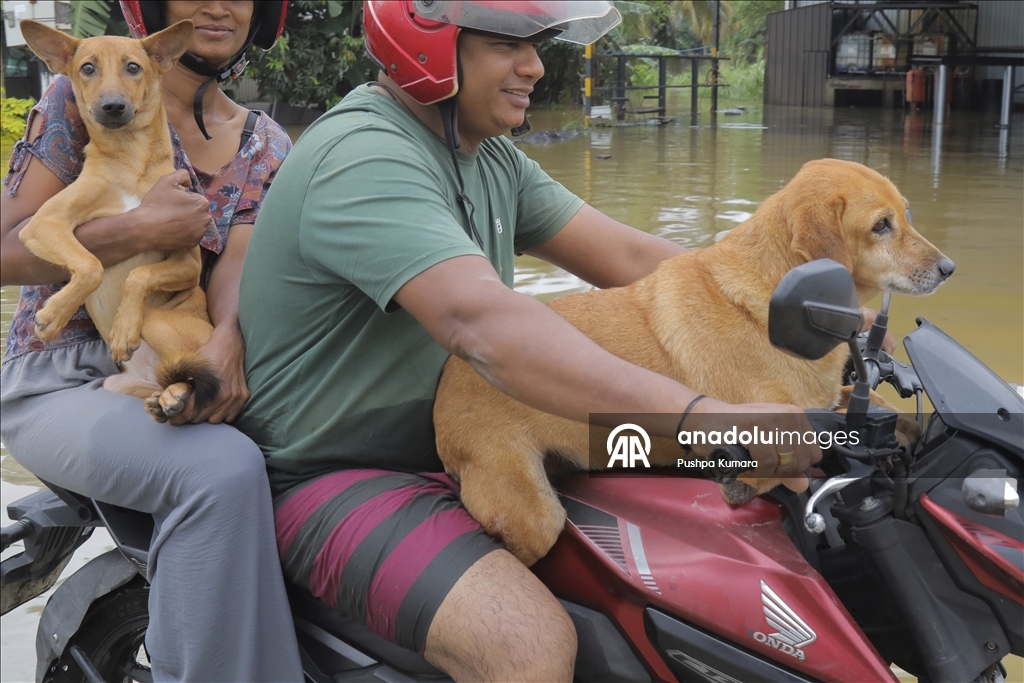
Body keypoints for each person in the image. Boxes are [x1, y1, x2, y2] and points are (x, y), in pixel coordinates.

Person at [236, 1, 820, 681]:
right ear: (424, 42)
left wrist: (787, 311)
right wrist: (702, 418)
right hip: (337, 476)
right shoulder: (365, 155)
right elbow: (486, 326)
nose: (535, 66)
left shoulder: (486, 158)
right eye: (505, 45)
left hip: (457, 447)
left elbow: (636, 259)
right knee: (528, 645)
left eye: (539, 44)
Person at [0, 1, 303, 680]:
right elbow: (4, 246)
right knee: (218, 469)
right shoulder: (79, 93)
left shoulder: (264, 145)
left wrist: (227, 340)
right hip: (57, 375)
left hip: (177, 355)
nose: (220, 5)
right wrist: (136, 232)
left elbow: (239, 279)